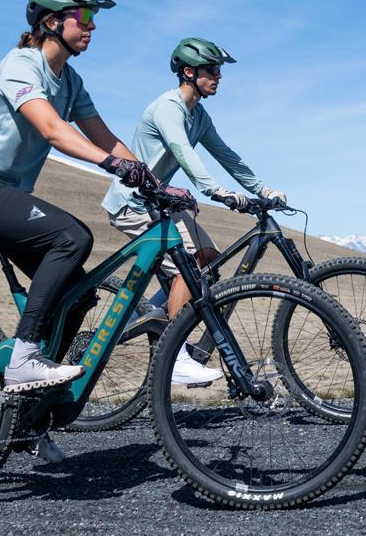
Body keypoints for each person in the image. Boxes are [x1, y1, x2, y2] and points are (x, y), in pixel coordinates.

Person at [0, 0, 158, 461]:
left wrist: (148, 179)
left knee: (75, 299)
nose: (92, 26)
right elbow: (53, 130)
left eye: (93, 18)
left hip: (7, 196)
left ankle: (27, 425)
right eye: (84, 17)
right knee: (72, 236)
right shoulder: (22, 64)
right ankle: (23, 357)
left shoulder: (72, 81)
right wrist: (112, 166)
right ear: (50, 22)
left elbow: (104, 137)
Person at [100, 37, 286, 384]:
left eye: (219, 70)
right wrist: (216, 191)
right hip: (133, 204)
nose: (219, 76)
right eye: (212, 70)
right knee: (188, 270)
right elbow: (183, 152)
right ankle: (175, 355)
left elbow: (226, 154)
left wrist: (261, 189)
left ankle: (151, 315)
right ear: (188, 71)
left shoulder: (199, 115)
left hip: (161, 205)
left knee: (208, 260)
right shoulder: (168, 107)